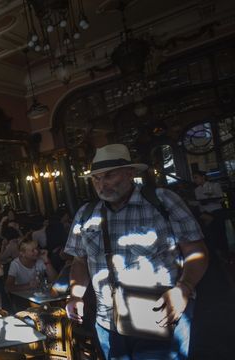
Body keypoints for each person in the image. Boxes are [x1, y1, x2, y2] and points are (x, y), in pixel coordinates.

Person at [64, 143, 208, 359]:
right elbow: (79, 261)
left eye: (109, 176)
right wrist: (75, 295)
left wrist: (184, 288)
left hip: (159, 315)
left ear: (130, 173)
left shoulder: (162, 201)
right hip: (107, 320)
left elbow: (196, 251)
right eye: (96, 179)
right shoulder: (86, 214)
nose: (102, 185)